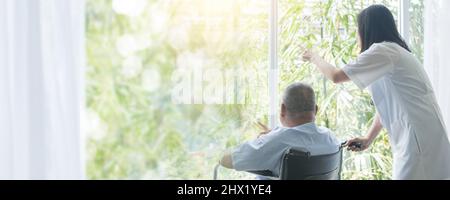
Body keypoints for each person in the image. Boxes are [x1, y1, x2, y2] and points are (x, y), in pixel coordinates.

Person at [302, 4, 450, 180]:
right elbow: (386, 105)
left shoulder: (383, 51)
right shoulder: (393, 53)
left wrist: (314, 57)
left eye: (358, 30)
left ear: (367, 29)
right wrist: (368, 138)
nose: (357, 36)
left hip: (418, 139)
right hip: (422, 135)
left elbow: (336, 76)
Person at [219, 83, 341, 179]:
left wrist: (268, 140)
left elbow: (227, 160)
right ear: (316, 110)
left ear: (282, 108)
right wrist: (273, 137)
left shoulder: (279, 141)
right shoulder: (331, 138)